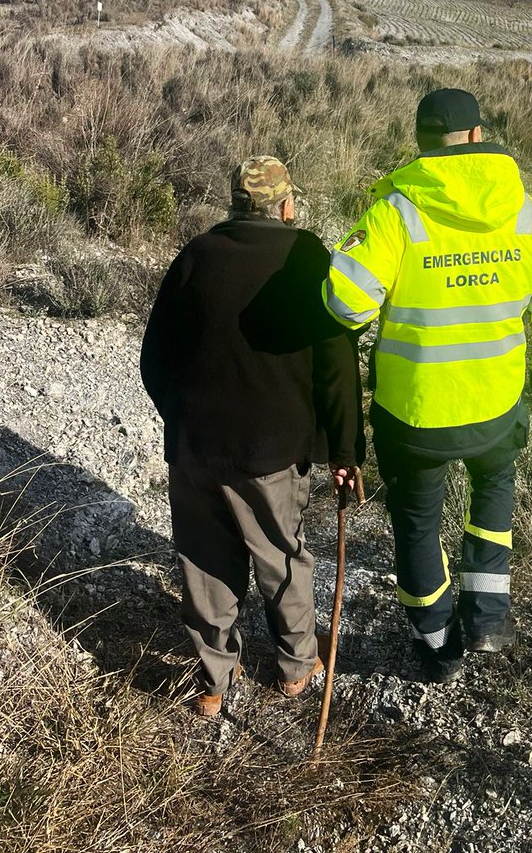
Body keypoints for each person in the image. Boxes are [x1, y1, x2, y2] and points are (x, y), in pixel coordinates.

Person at [323, 89, 532, 682]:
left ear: (420, 141)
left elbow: (344, 304)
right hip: (495, 405)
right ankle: (488, 616)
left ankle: (438, 647)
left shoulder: (397, 212)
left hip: (414, 416)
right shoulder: (524, 211)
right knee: (494, 492)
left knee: (416, 524)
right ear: (477, 134)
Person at [141, 156, 362, 717]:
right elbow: (337, 364)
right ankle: (294, 667)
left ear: (235, 205)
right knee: (282, 556)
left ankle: (213, 682)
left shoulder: (195, 256)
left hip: (195, 447)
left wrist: (184, 417)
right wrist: (343, 450)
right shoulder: (307, 257)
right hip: (271, 451)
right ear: (287, 205)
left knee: (203, 558)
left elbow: (153, 359)